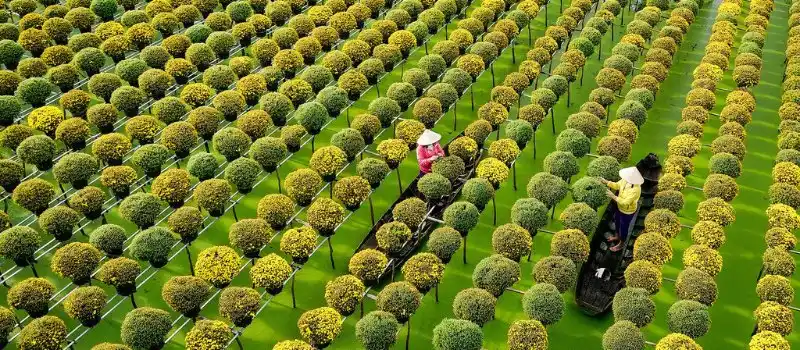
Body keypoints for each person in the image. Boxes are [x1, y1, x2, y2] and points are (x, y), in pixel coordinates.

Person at [601, 166, 643, 252]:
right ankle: (617, 236)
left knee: (624, 227)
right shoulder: (625, 180)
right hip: (619, 207)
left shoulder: (636, 190)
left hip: (627, 212)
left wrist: (613, 196)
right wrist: (607, 182)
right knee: (617, 221)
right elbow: (617, 185)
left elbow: (626, 202)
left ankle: (621, 243)